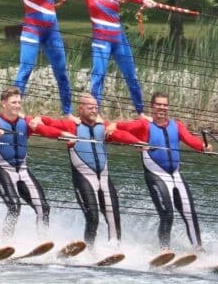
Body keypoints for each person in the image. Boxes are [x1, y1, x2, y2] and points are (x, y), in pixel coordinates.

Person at [37, 94, 142, 246]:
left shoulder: (103, 127)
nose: (94, 110)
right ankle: (89, 251)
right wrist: (40, 122)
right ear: (80, 108)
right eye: (90, 107)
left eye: (96, 107)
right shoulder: (71, 126)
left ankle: (115, 249)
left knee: (114, 218)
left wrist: (136, 142)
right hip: (84, 179)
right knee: (93, 218)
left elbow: (121, 134)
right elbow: (45, 124)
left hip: (104, 180)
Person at [112, 92, 212, 250]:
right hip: (155, 175)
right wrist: (133, 140)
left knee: (189, 214)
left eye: (164, 105)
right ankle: (164, 251)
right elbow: (120, 129)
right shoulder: (144, 125)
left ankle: (198, 249)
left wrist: (202, 147)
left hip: (176, 175)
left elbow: (189, 139)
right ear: (152, 107)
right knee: (167, 214)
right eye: (158, 104)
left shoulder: (176, 125)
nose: (161, 108)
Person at [0, 87, 65, 237]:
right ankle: (6, 243)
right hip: (3, 171)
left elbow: (45, 129)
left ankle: (43, 242)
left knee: (44, 207)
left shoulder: (25, 122)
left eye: (19, 102)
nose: (17, 105)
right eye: (13, 102)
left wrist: (60, 132)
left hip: (23, 171)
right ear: (3, 103)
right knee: (14, 207)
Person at [79, 0, 156, 115]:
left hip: (119, 38)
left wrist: (144, 0)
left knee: (131, 75)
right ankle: (95, 115)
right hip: (101, 39)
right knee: (98, 76)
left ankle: (141, 113)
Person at [14, 0, 81, 116]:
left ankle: (67, 112)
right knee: (26, 69)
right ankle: (14, 110)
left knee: (61, 71)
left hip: (52, 30)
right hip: (32, 29)